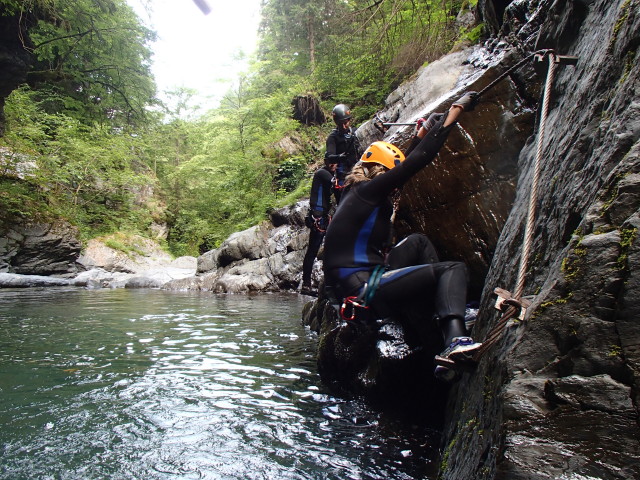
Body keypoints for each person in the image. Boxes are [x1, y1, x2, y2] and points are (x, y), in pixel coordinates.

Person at [322, 92, 481, 382]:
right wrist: (454, 112)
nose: (392, 181)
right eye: (388, 173)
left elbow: (404, 168)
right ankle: (455, 339)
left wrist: (420, 134)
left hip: (366, 279)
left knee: (418, 241)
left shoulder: (356, 193)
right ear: (380, 171)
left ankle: (438, 312)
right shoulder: (367, 193)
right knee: (454, 268)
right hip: (365, 291)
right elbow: (414, 164)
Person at [301, 159, 337, 295]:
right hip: (318, 217)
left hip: (322, 216)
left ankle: (315, 284)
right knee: (312, 252)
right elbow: (337, 183)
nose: (335, 165)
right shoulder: (322, 173)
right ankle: (306, 285)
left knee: (321, 250)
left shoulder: (324, 174)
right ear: (327, 163)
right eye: (333, 163)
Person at [325, 104, 362, 204]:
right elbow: (329, 156)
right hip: (343, 175)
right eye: (341, 123)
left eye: (346, 122)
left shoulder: (355, 132)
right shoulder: (333, 138)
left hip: (358, 171)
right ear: (336, 122)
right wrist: (339, 157)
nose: (344, 126)